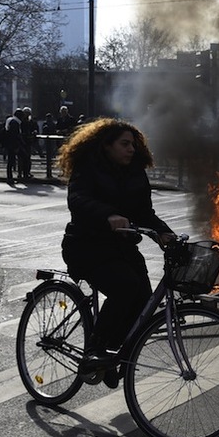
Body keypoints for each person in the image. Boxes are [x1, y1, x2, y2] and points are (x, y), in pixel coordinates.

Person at [56, 118, 175, 388]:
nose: (131, 149)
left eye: (133, 144)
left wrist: (163, 233)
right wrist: (108, 215)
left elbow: (145, 213)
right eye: (124, 144)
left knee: (145, 303)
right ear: (106, 145)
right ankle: (95, 350)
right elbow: (78, 199)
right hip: (86, 246)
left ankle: (113, 355)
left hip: (121, 247)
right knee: (125, 288)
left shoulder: (135, 172)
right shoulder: (88, 167)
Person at [4, 110, 24, 185]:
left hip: (10, 145)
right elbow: (14, 136)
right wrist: (16, 146)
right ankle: (11, 178)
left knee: (11, 161)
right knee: (12, 161)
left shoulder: (10, 121)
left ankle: (10, 177)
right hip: (13, 145)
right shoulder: (15, 123)